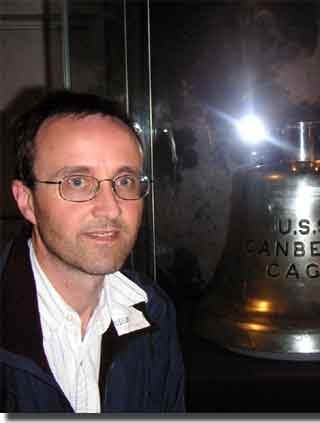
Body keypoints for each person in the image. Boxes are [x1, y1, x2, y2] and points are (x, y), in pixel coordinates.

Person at [0, 90, 185, 412]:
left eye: (125, 180)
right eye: (76, 182)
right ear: (26, 201)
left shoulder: (151, 310)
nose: (110, 208)